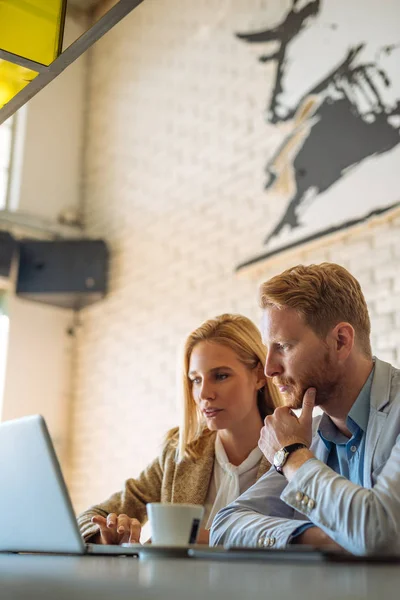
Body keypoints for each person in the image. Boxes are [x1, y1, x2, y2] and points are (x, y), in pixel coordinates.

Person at [210, 263, 400, 556]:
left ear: (340, 341)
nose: (270, 369)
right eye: (268, 348)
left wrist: (291, 456)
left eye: (283, 346)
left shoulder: (295, 447)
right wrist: (319, 539)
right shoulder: (311, 435)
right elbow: (224, 527)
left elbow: (380, 532)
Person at [78, 313, 281, 545]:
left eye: (221, 376)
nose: (204, 394)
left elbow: (306, 536)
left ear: (259, 375)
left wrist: (199, 540)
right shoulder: (180, 451)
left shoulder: (295, 449)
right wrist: (106, 534)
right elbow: (90, 518)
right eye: (196, 380)